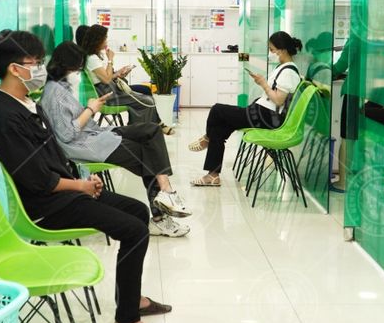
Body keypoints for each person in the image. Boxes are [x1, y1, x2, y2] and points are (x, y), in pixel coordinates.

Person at [0, 29, 174, 323]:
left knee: (138, 211)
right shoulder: (4, 118)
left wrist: (84, 179)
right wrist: (81, 185)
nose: (41, 68)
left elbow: (55, 155)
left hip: (67, 190)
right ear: (15, 68)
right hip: (48, 205)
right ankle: (127, 322)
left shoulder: (26, 104)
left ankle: (129, 298)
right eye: (35, 63)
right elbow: (40, 180)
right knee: (135, 230)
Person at [40, 40, 191, 238]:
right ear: (65, 66)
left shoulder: (61, 87)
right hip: (85, 145)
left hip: (95, 134)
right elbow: (67, 135)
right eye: (77, 69)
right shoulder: (55, 94)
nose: (79, 74)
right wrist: (91, 109)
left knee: (152, 130)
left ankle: (166, 191)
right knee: (148, 154)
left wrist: (91, 108)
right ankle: (160, 215)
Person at [189, 30, 303, 186]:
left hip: (267, 117)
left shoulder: (288, 72)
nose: (270, 53)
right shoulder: (283, 68)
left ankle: (207, 139)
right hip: (263, 112)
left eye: (272, 50)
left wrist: (263, 84)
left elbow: (278, 100)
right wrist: (263, 84)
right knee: (219, 129)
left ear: (282, 50)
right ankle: (213, 175)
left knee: (217, 109)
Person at [82, 23, 173, 132]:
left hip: (110, 89)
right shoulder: (92, 58)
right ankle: (145, 130)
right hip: (108, 95)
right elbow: (106, 79)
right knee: (148, 101)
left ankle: (152, 128)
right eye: (105, 38)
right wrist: (110, 59)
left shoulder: (94, 57)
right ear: (97, 40)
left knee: (148, 99)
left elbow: (106, 77)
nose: (106, 41)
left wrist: (118, 73)